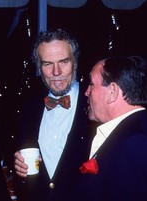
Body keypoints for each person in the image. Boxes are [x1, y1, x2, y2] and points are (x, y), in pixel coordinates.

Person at [74, 55, 147, 201]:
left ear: (112, 92)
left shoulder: (137, 143)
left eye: (91, 84)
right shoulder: (135, 131)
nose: (86, 92)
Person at [13, 29, 95, 201]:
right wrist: (19, 166)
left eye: (63, 62)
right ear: (38, 67)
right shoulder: (29, 106)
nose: (56, 72)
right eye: (47, 64)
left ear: (75, 62)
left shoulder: (95, 105)